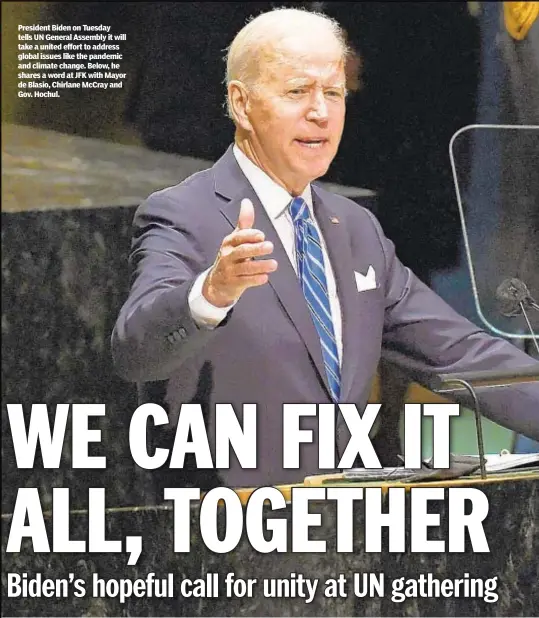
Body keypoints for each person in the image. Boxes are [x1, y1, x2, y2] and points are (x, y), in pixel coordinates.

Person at [112, 8, 539, 491]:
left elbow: (460, 355)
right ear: (241, 102)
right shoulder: (184, 213)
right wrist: (209, 294)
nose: (320, 112)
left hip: (341, 534)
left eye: (332, 92)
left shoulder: (355, 228)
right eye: (297, 91)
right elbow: (136, 351)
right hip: (224, 532)